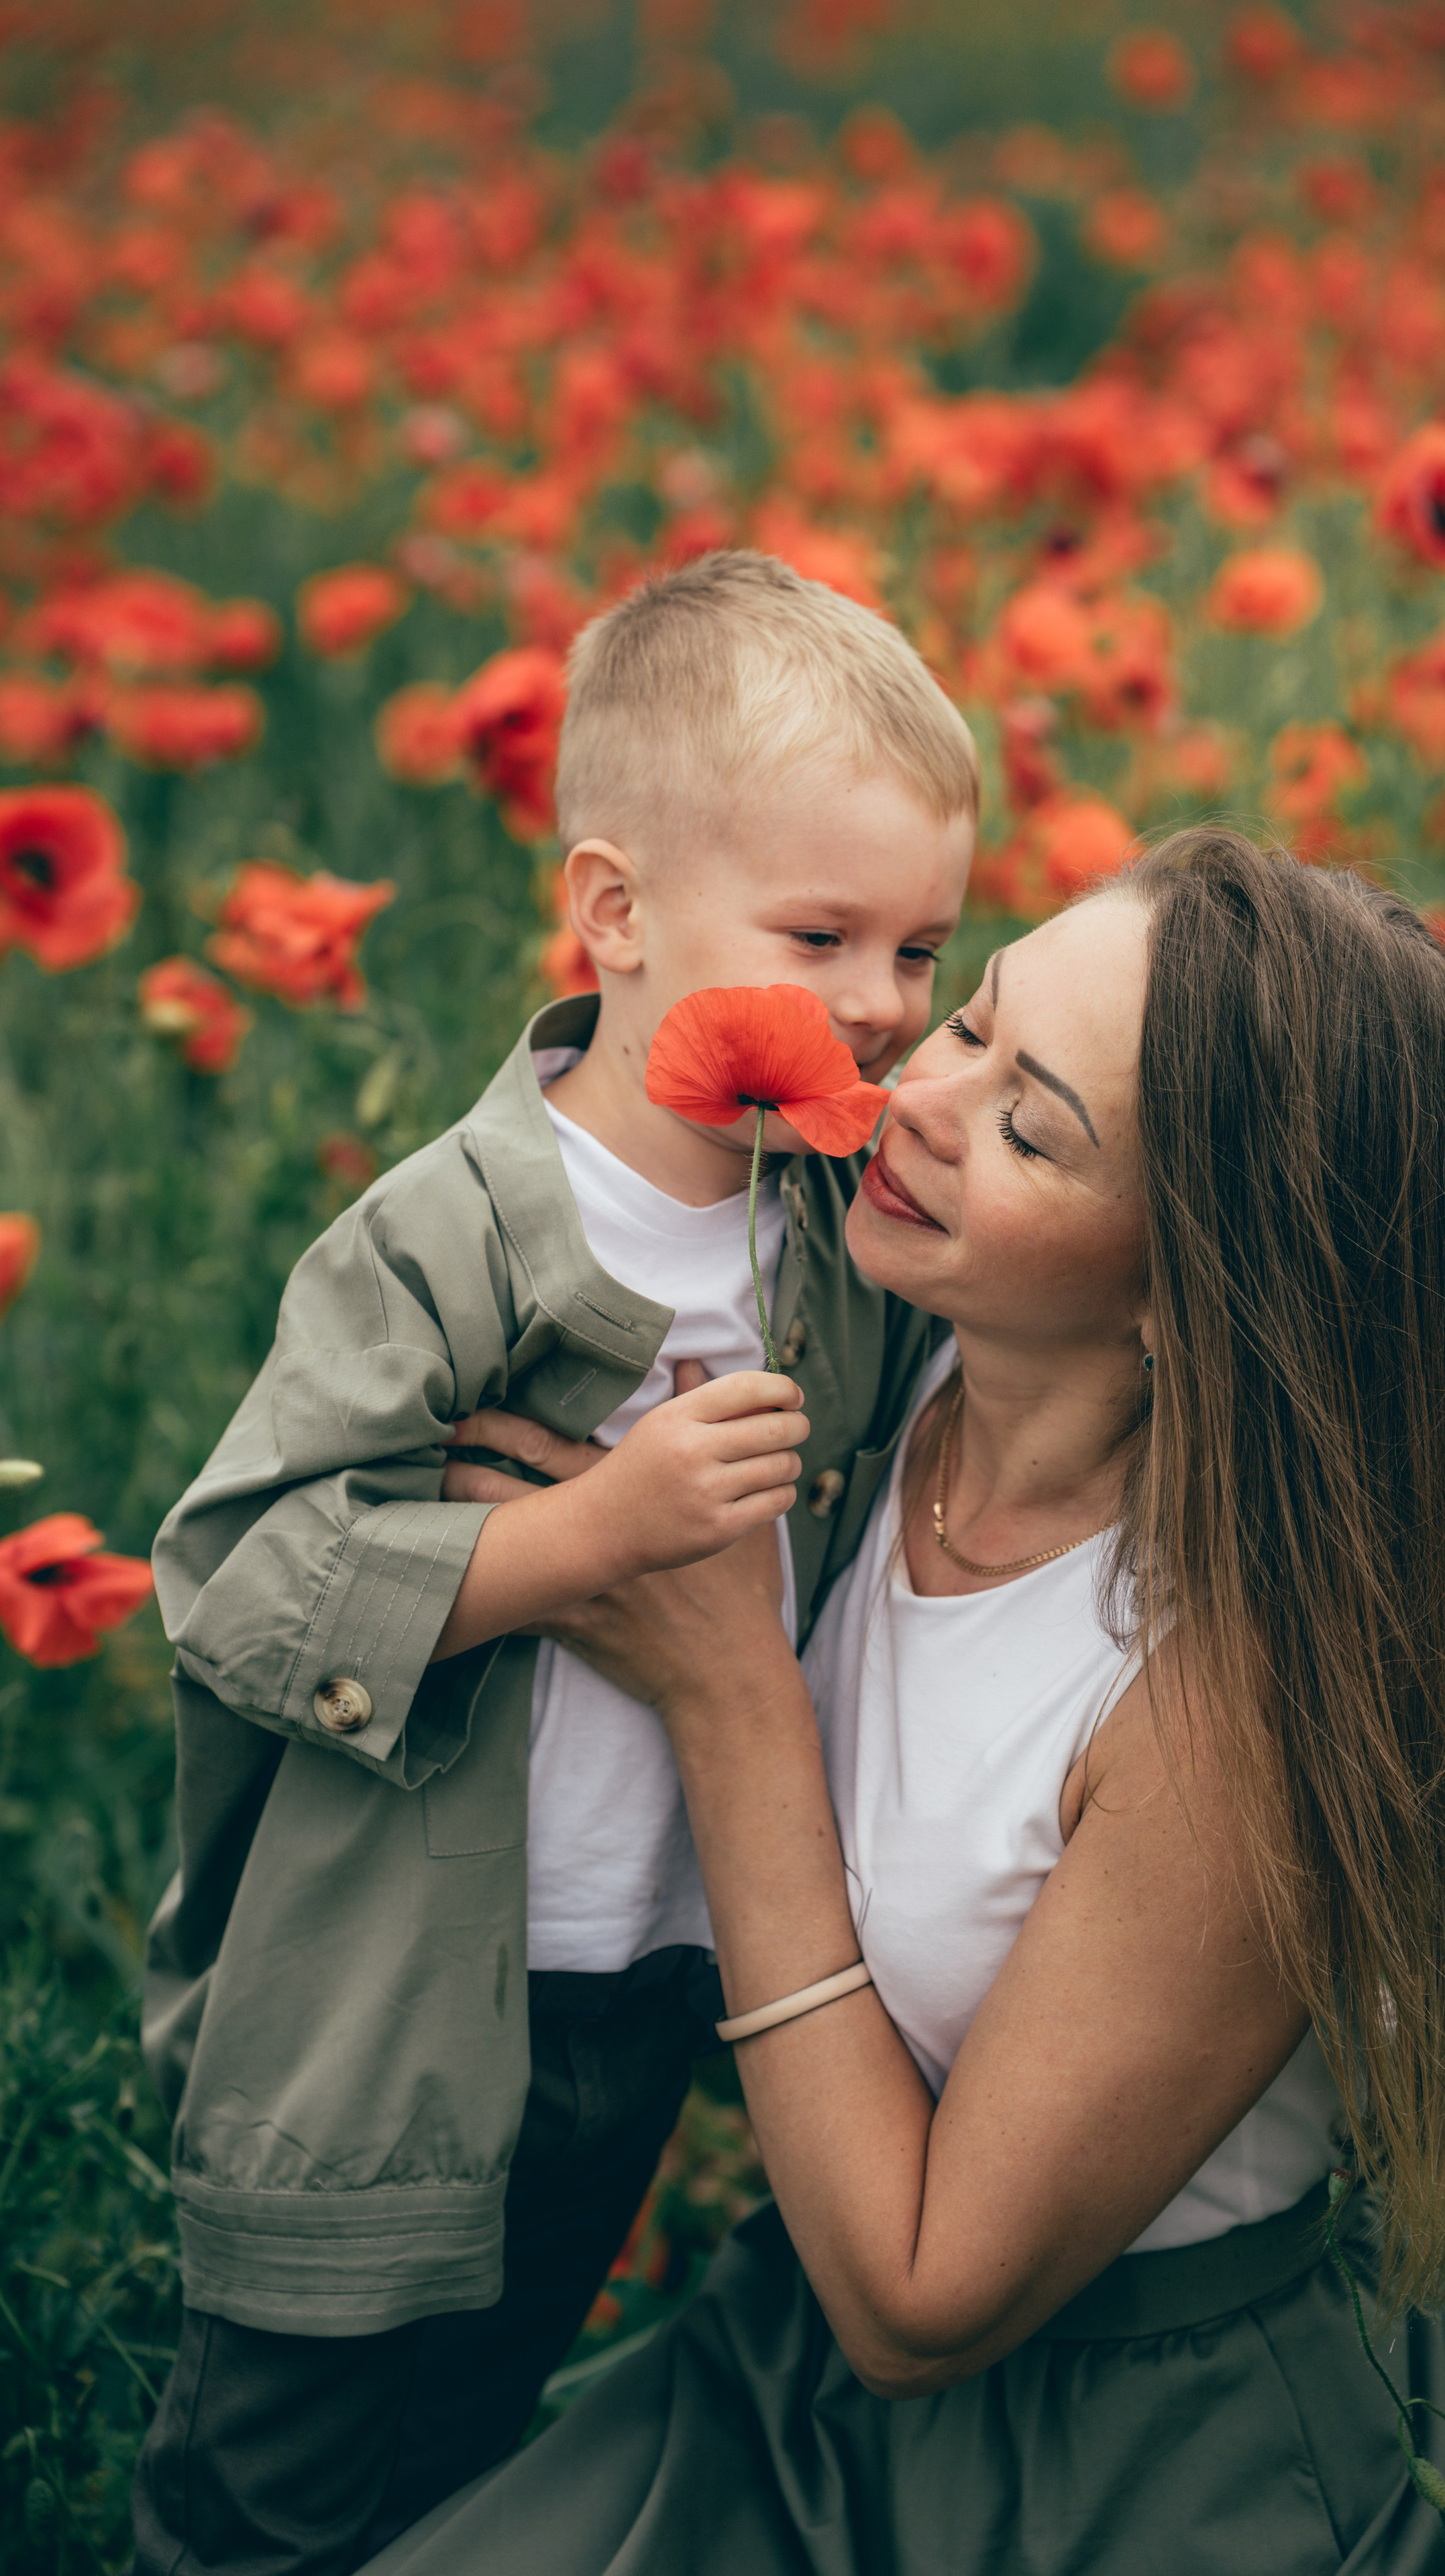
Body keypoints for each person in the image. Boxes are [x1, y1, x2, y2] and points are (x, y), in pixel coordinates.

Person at [370, 828, 1445, 2576]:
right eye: (974, 1022)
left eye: (1030, 1123)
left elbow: (922, 2308)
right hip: (789, 2344)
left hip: (1114, 2452)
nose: (916, 1096)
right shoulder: (869, 1364)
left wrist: (730, 1700)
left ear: (1181, 1296)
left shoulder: (1229, 1709)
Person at [129, 551, 976, 2576]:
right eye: (824, 935)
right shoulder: (446, 1239)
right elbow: (234, 1577)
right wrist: (586, 1540)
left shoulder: (828, 1229)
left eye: (925, 950)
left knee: (475, 2439)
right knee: (278, 2470)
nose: (881, 1003)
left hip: (639, 1993)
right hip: (386, 2003)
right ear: (614, 914)